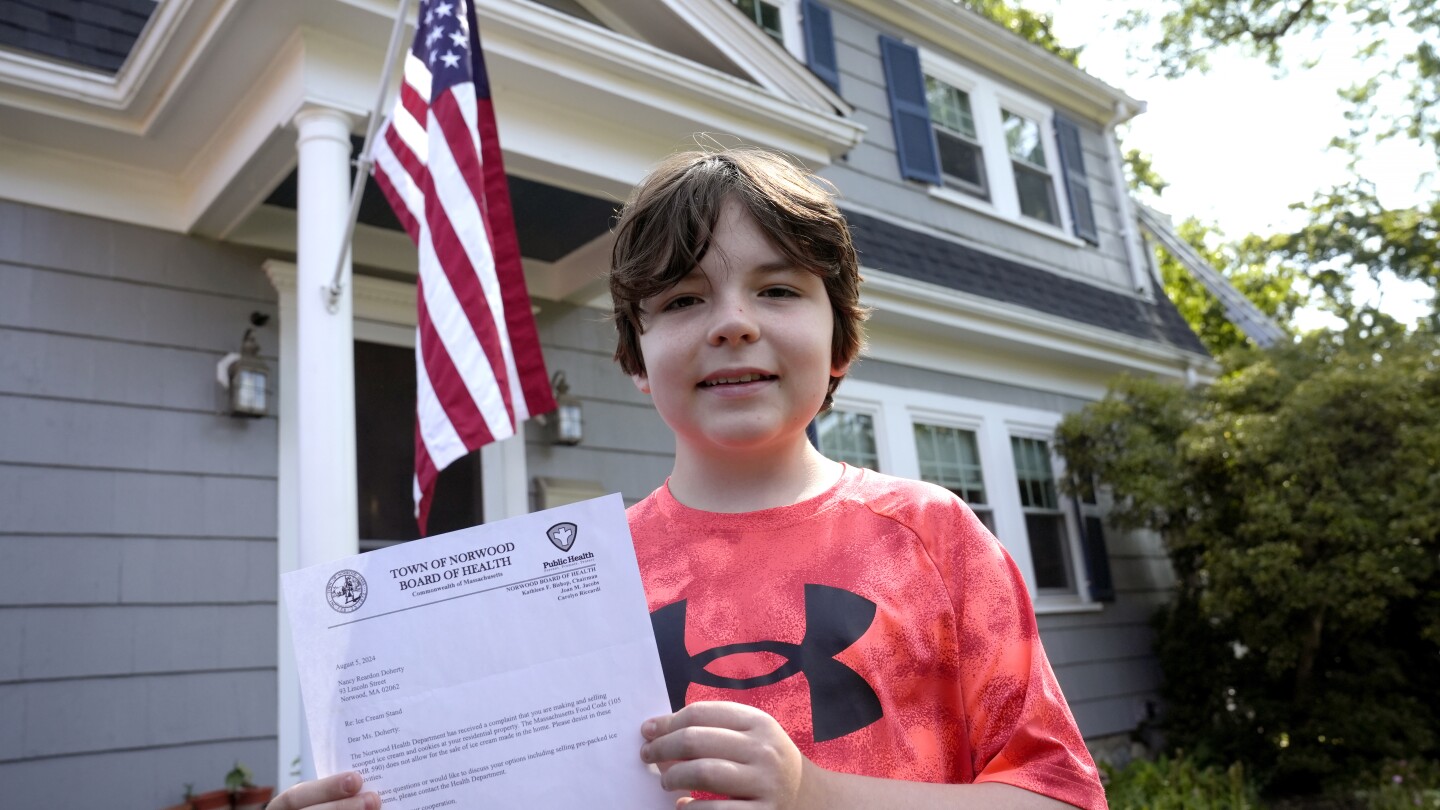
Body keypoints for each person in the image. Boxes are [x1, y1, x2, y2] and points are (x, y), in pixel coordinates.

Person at [271, 148, 1106, 810]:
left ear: (841, 342)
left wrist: (812, 796)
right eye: (681, 300)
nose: (733, 323)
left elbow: (1060, 795)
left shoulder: (934, 537)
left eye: (777, 288)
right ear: (637, 359)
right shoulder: (571, 585)